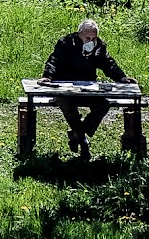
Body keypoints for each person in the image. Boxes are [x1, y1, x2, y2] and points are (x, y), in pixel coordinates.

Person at [38, 19, 136, 159]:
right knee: (70, 110)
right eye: (87, 37)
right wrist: (47, 77)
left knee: (103, 105)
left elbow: (108, 63)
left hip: (87, 88)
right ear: (80, 34)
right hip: (64, 89)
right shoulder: (65, 43)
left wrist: (121, 77)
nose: (91, 40)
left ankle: (77, 134)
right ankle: (83, 143)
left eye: (93, 37)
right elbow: (54, 60)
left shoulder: (98, 46)